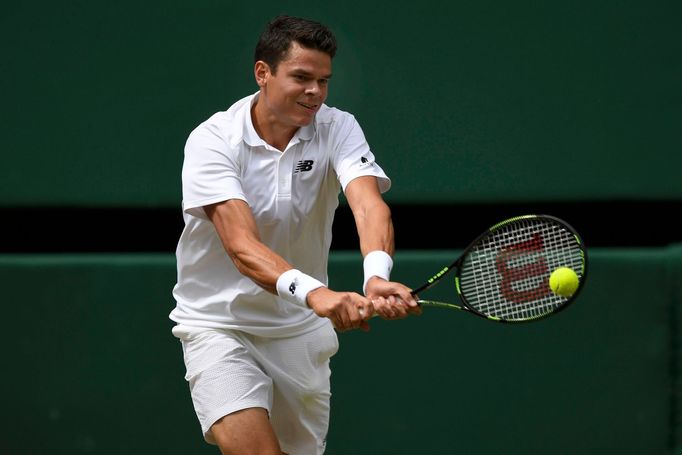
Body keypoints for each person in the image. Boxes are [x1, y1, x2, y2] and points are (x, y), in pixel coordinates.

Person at [169, 14, 420, 455]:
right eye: (302, 78)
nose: (315, 93)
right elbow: (242, 247)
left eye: (323, 81)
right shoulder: (212, 140)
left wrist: (376, 275)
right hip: (219, 325)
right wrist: (317, 294)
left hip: (299, 335)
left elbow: (367, 204)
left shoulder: (338, 127)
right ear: (262, 73)